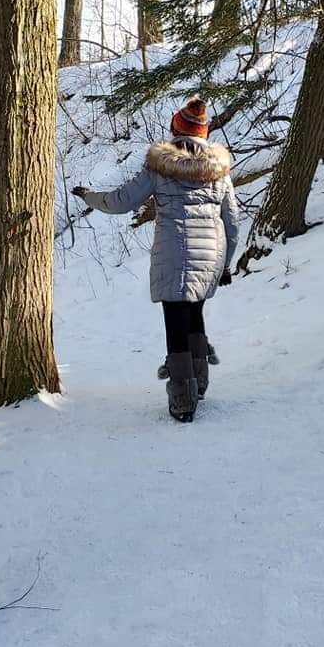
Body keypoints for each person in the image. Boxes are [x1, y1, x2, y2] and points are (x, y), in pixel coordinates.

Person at [72, 97, 239, 423]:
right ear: (203, 133)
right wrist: (227, 264)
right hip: (211, 255)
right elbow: (232, 222)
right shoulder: (220, 171)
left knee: (176, 320)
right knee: (194, 314)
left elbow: (122, 201)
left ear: (176, 129)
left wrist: (91, 196)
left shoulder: (160, 166)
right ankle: (199, 382)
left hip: (174, 255)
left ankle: (183, 400)